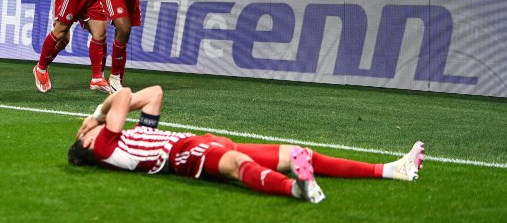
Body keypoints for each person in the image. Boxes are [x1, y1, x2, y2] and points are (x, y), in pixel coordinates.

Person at [68, 85, 425, 203]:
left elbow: (154, 94)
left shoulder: (127, 138)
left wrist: (103, 117)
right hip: (189, 156)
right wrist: (96, 117)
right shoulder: (104, 148)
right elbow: (125, 92)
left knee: (300, 153)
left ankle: (393, 169)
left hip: (204, 144)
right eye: (82, 132)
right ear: (86, 143)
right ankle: (296, 190)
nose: (84, 128)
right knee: (238, 168)